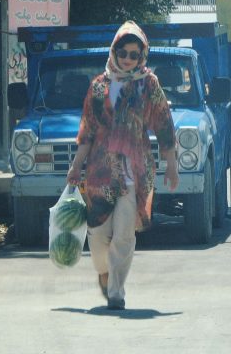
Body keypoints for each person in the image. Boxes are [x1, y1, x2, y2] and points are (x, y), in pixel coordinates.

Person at [66, 21, 179, 311]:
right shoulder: (99, 87)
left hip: (134, 174)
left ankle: (116, 291)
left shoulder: (148, 85)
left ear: (142, 56)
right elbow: (87, 131)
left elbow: (164, 124)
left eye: (134, 54)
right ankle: (104, 272)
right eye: (123, 52)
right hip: (100, 175)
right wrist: (76, 166)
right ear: (114, 51)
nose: (128, 59)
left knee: (125, 234)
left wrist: (171, 164)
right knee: (99, 236)